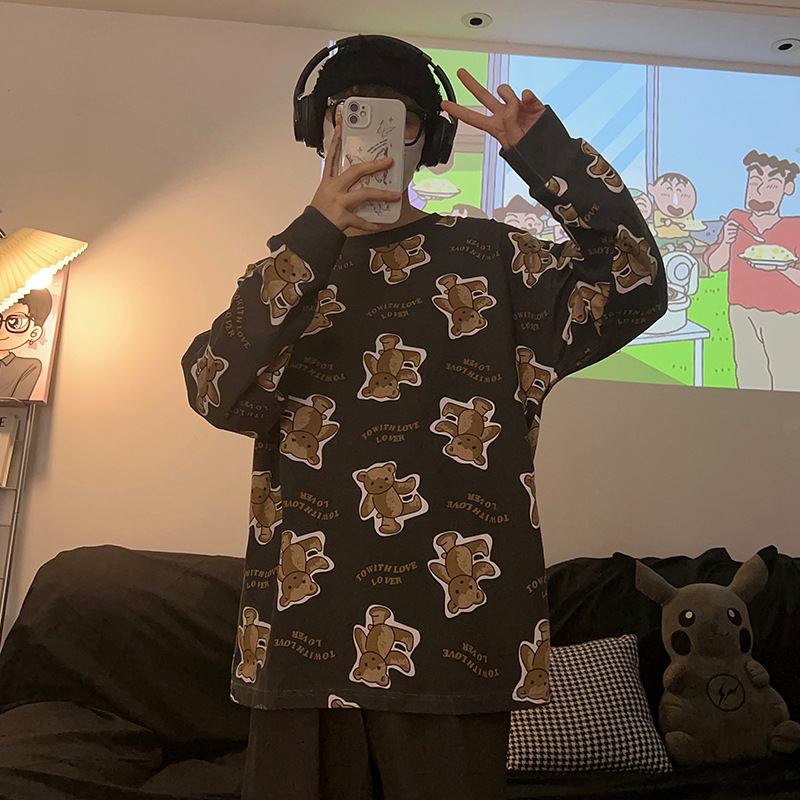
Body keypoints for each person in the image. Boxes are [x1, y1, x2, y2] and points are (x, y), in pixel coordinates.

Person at [181, 34, 667, 800]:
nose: (373, 132)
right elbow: (213, 388)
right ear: (320, 129)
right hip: (300, 640)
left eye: (400, 116)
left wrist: (547, 155)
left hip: (455, 645)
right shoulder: (286, 273)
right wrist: (313, 235)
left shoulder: (494, 261)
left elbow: (636, 288)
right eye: (350, 112)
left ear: (427, 138)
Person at [704, 150, 800, 391]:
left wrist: (782, 267)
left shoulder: (795, 227)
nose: (760, 191)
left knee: (786, 377)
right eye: (755, 181)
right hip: (741, 310)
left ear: (788, 188)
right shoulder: (736, 220)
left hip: (785, 315)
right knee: (749, 374)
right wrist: (726, 242)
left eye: (772, 184)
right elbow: (714, 264)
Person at [0, 289, 51, 400]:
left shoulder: (28, 366)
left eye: (15, 323)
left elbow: (17, 402)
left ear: (34, 333)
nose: (1, 329)